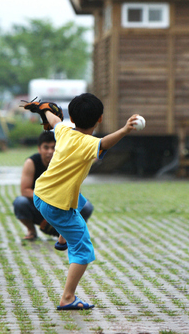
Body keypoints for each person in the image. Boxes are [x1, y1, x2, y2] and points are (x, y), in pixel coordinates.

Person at [31, 93, 139, 310]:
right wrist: (125, 130)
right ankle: (68, 298)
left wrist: (44, 109)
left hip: (41, 193)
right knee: (83, 250)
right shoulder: (90, 144)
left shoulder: (63, 131)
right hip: (57, 207)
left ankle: (62, 238)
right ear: (99, 118)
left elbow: (54, 121)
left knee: (78, 199)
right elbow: (105, 142)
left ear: (72, 117)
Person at [13, 131, 94, 245]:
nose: (50, 151)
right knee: (20, 202)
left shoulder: (66, 163)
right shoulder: (31, 162)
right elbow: (25, 191)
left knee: (86, 206)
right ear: (39, 149)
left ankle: (68, 232)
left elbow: (74, 191)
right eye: (46, 147)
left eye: (54, 147)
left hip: (62, 208)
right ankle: (31, 231)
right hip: (39, 206)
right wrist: (48, 205)